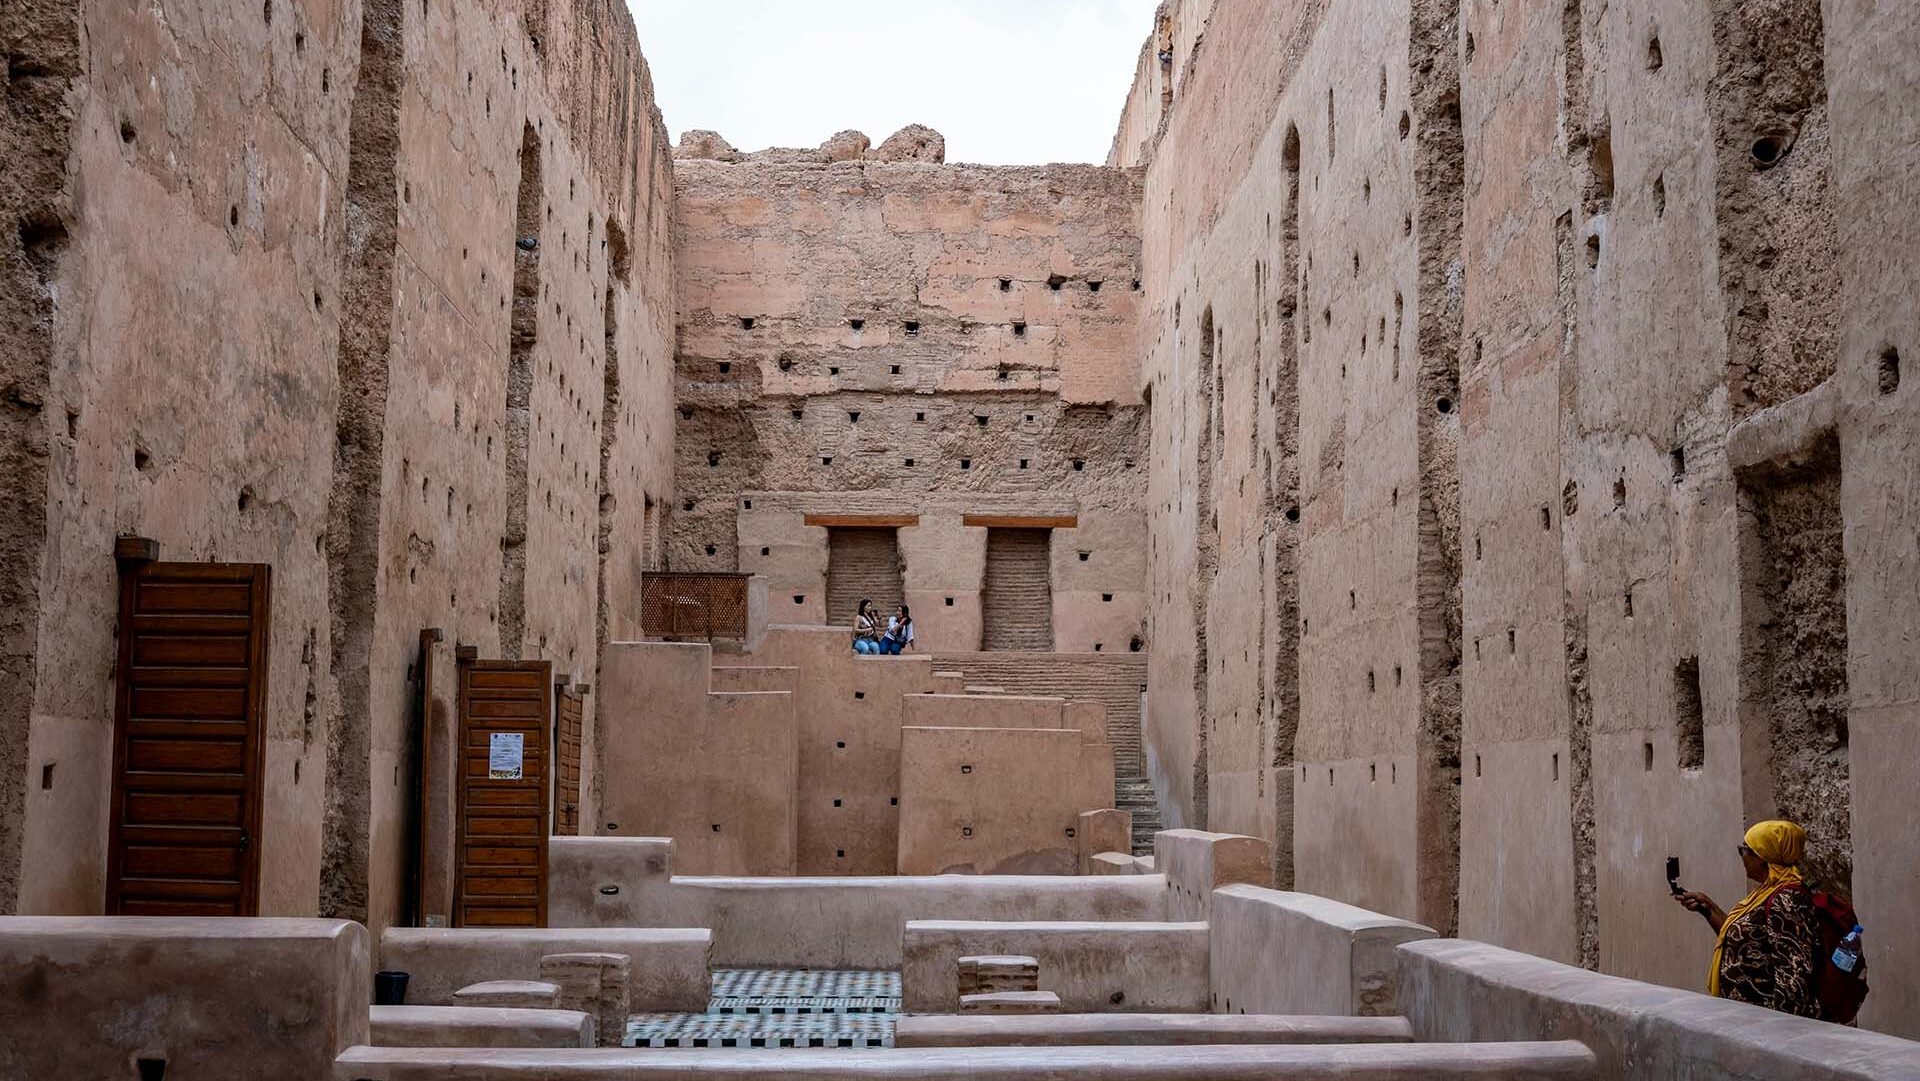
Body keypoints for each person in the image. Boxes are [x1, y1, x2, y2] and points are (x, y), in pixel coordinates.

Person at [1673, 819, 1821, 1017]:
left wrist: (1779, 1030)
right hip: (1746, 1018)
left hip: (1765, 1025)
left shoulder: (1786, 900)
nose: (1742, 857)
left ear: (1762, 857)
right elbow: (1743, 943)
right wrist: (1707, 908)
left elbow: (1793, 974)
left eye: (1745, 850)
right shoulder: (1765, 892)